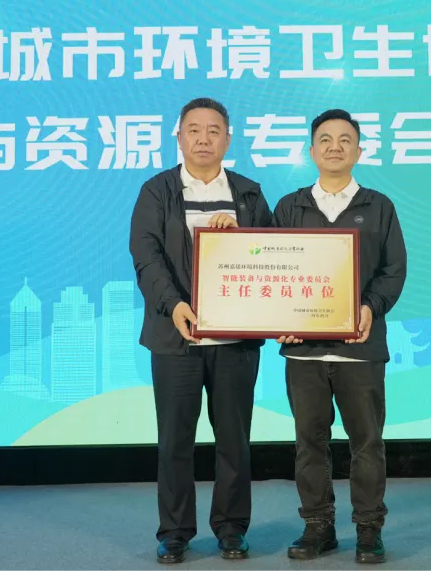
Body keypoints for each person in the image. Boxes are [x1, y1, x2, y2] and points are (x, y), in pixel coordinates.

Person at [129, 97, 275, 564]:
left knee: (234, 440)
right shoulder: (157, 191)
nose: (204, 138)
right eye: (194, 129)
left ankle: (231, 528)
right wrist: (174, 305)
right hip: (177, 338)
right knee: (175, 441)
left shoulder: (248, 194)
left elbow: (273, 255)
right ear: (179, 136)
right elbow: (146, 257)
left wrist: (241, 236)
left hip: (236, 341)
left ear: (228, 139)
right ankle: (174, 532)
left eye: (214, 130)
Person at [272, 109, 407, 564]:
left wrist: (369, 307)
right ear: (311, 151)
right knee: (309, 444)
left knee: (366, 443)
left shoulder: (378, 206)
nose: (335, 147)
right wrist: (278, 317)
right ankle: (318, 526)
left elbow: (393, 271)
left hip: (360, 348)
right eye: (325, 140)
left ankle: (369, 529)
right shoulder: (289, 207)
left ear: (358, 151)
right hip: (304, 352)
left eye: (345, 140)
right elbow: (272, 267)